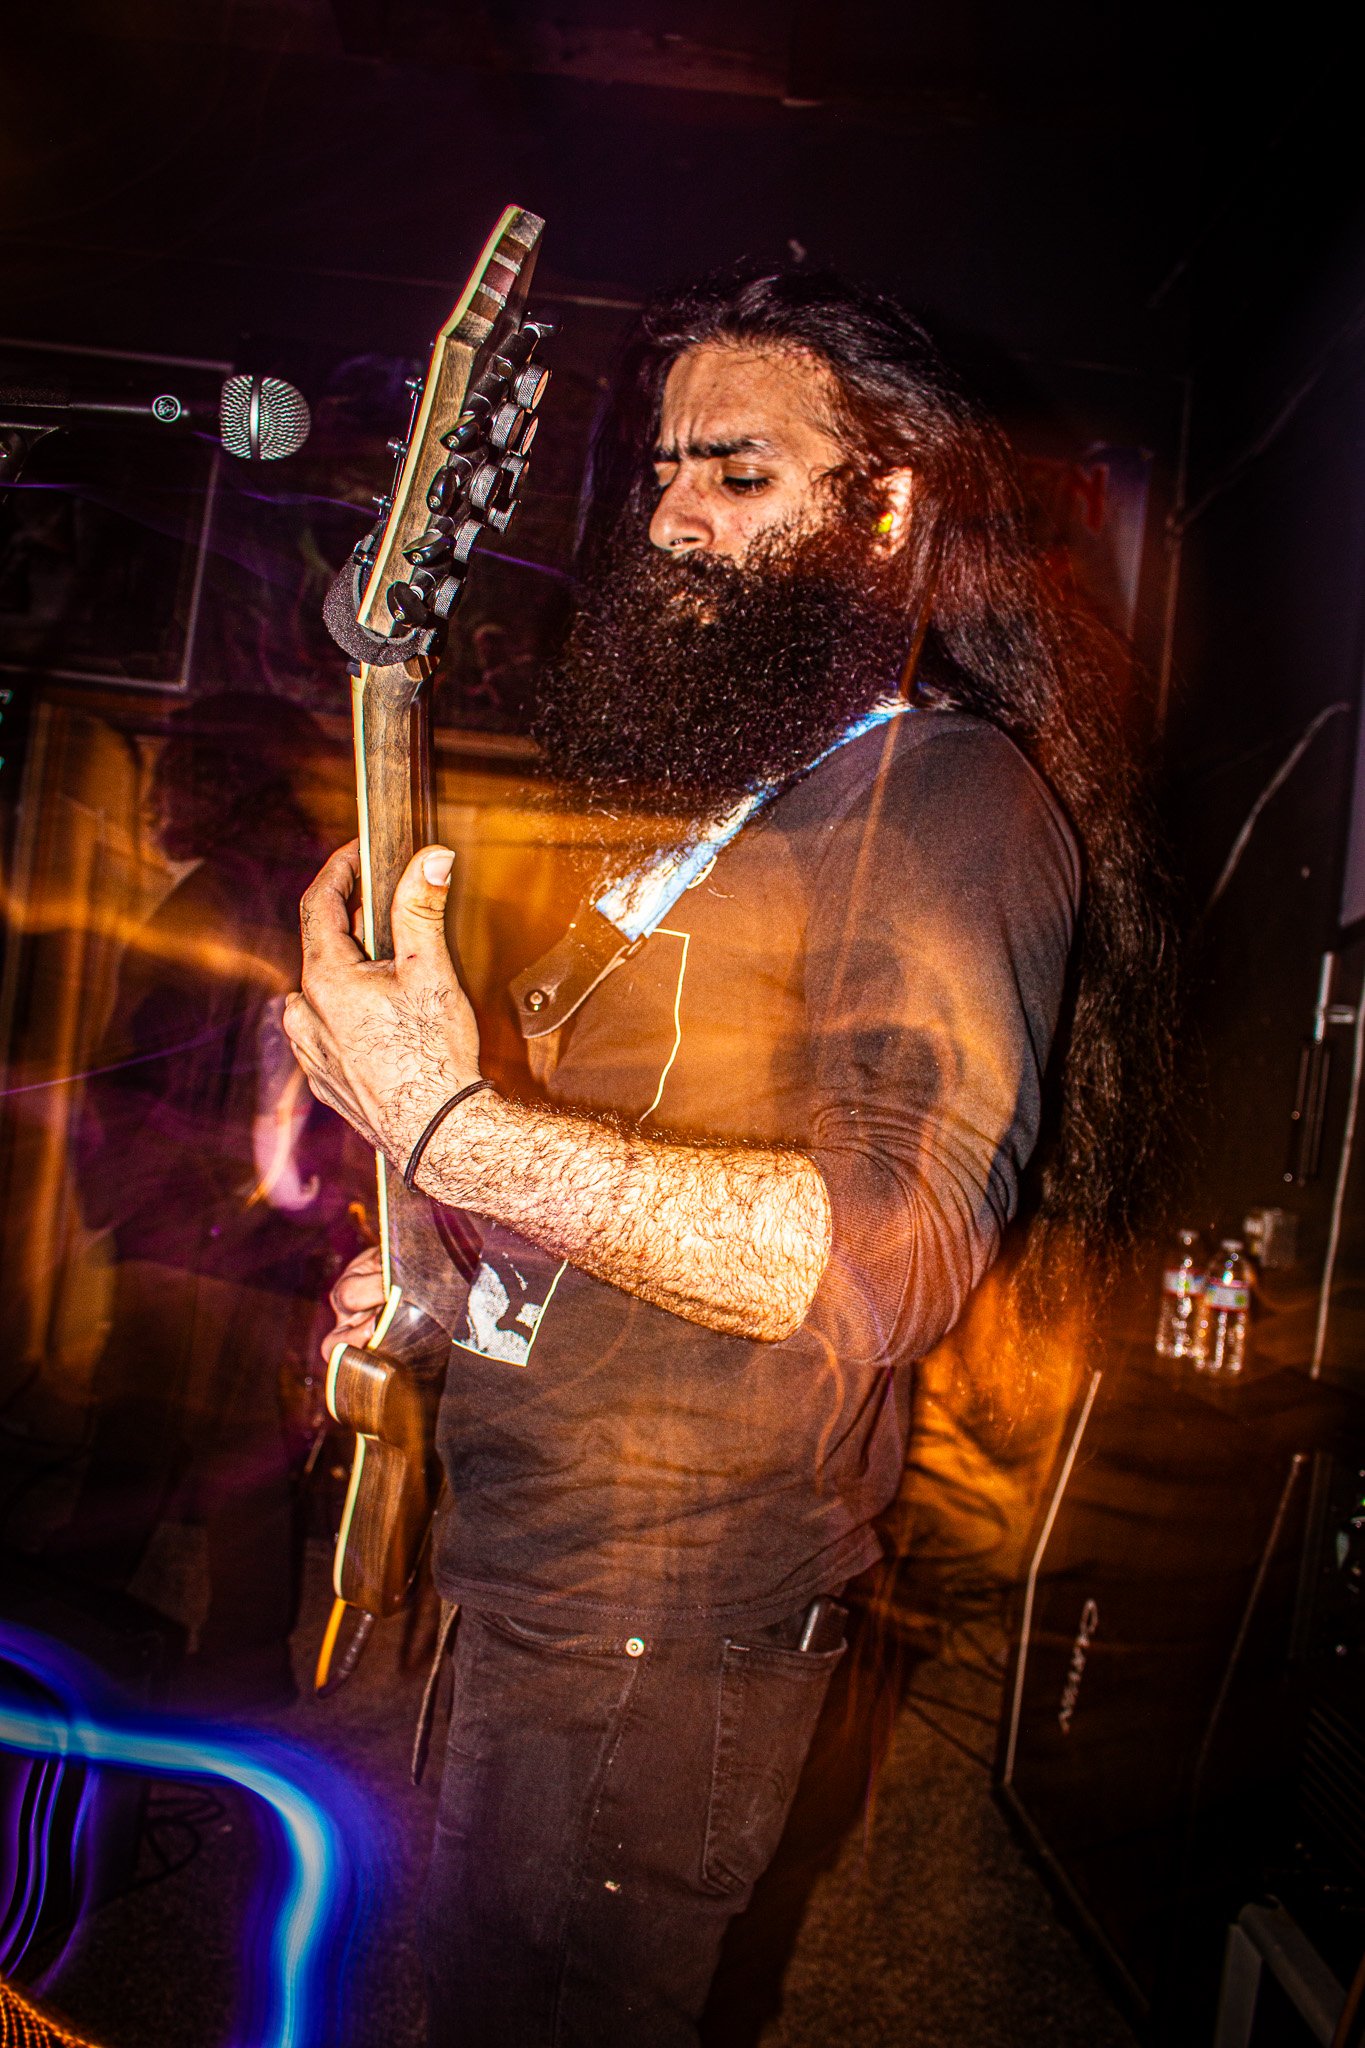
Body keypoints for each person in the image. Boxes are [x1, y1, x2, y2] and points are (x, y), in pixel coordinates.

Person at [283, 267, 1169, 2045]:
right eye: (666, 470)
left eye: (739, 472)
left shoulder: (947, 797)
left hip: (665, 1619)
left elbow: (893, 1252)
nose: (674, 516)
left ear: (886, 507)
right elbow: (618, 1183)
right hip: (532, 1559)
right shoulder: (728, 811)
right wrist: (445, 1259)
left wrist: (455, 1125)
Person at [57, 693, 354, 1710]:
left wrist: (131, 1201)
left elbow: (141, 1072)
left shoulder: (213, 902)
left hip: (194, 1227)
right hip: (259, 1228)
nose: (154, 797)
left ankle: (74, 1641)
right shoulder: (300, 895)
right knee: (234, 1451)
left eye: (169, 775)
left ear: (211, 781)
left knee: (144, 1441)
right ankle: (230, 1668)